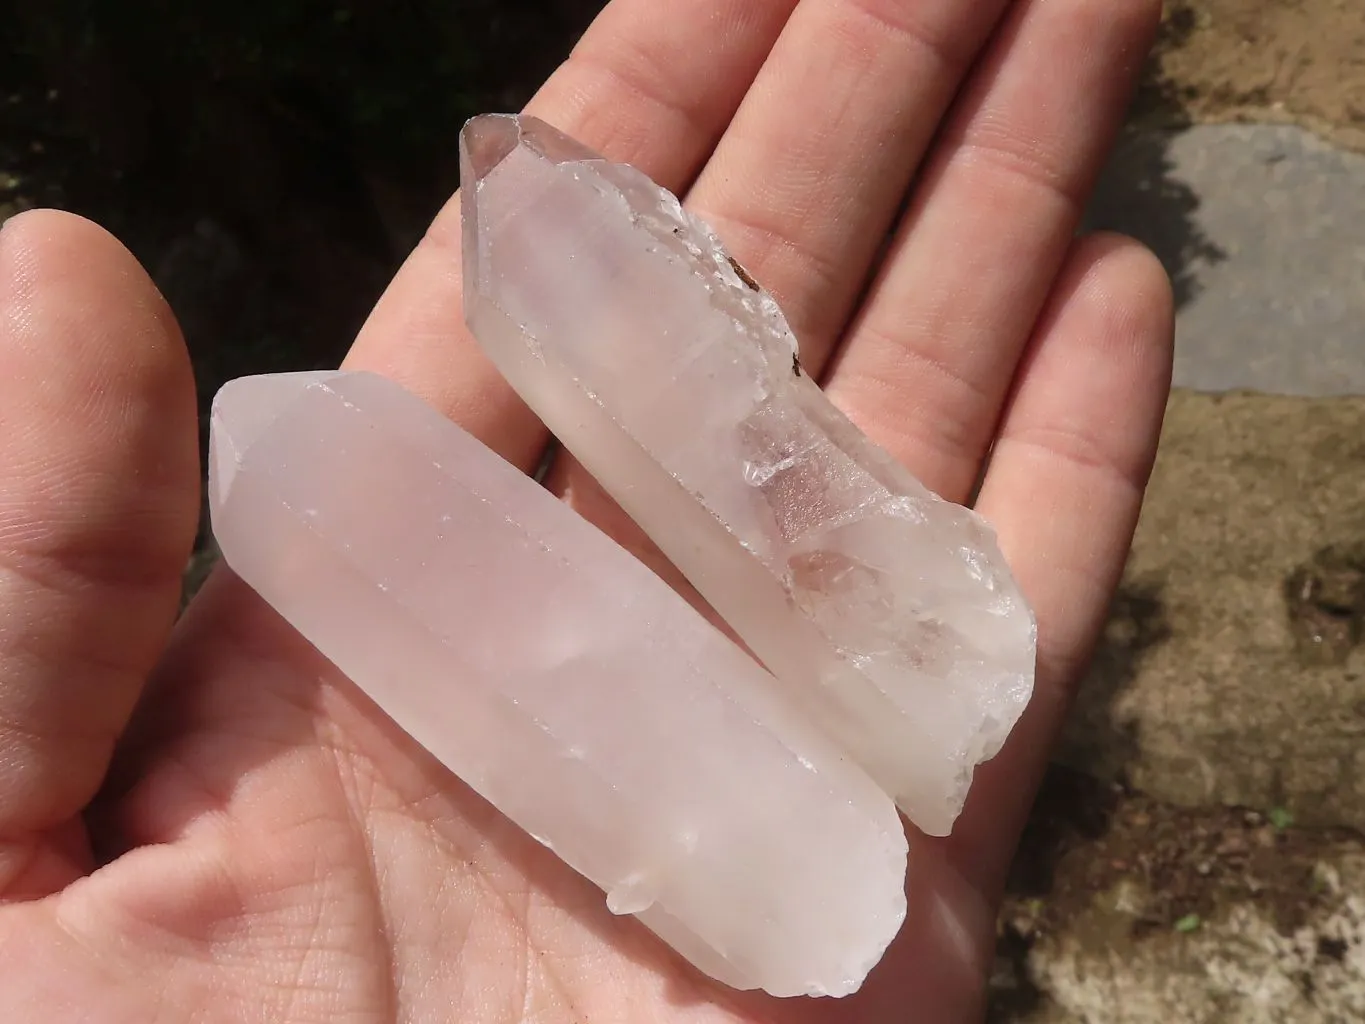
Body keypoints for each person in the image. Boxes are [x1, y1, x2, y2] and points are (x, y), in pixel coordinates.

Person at [0, 0, 1172, 1019]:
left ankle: (921, 707)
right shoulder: (325, 466)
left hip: (893, 745)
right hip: (820, 857)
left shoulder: (364, 410)